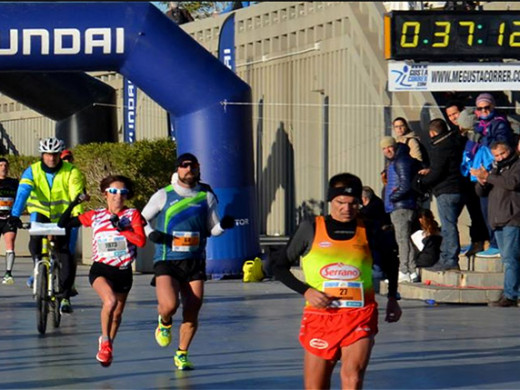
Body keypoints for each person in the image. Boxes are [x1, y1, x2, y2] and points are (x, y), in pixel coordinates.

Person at [274, 173, 401, 390]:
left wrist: (392, 297)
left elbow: (391, 261)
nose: (347, 209)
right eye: (341, 202)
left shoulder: (369, 228)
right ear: (330, 200)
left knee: (353, 377)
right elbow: (277, 266)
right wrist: (306, 291)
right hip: (321, 317)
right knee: (316, 386)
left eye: (353, 204)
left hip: (360, 313)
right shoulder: (311, 227)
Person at [141, 152, 235, 370]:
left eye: (192, 166)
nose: (189, 169)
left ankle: (182, 353)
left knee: (193, 308)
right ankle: (164, 322)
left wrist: (224, 226)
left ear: (198, 168)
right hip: (167, 259)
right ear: (177, 169)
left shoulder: (206, 196)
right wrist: (151, 234)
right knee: (169, 305)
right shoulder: (164, 195)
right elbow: (141, 218)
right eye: (184, 166)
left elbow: (213, 229)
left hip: (194, 260)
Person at [58, 175, 146, 365]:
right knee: (110, 301)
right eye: (113, 192)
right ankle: (105, 340)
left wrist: (123, 230)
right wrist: (75, 202)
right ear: (105, 194)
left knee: (116, 315)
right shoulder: (96, 215)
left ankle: (108, 345)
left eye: (123, 193)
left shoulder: (132, 215)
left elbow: (141, 241)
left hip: (123, 271)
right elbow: (62, 224)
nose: (117, 196)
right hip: (101, 270)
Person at [10, 137, 85, 314]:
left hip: (64, 216)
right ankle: (38, 267)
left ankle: (65, 296)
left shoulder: (71, 171)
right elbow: (22, 193)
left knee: (66, 252)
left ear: (60, 155)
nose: (51, 158)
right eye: (48, 155)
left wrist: (77, 215)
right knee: (35, 241)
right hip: (41, 213)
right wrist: (14, 215)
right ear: (42, 155)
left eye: (55, 155)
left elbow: (76, 194)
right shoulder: (32, 171)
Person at [472, 141, 520, 307]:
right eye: (496, 155)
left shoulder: (517, 165)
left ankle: (511, 295)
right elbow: (480, 192)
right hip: (497, 218)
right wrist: (482, 181)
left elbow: (512, 183)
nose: (500, 158)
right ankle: (510, 291)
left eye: (502, 154)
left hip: (513, 217)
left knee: (510, 258)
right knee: (507, 258)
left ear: (509, 151)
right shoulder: (494, 168)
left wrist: (489, 177)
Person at [416, 119, 465, 271]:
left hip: (446, 190)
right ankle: (446, 257)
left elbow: (438, 172)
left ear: (432, 133)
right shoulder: (456, 142)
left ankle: (449, 259)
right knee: (448, 225)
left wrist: (422, 181)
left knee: (448, 226)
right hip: (460, 188)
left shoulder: (439, 147)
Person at [471, 93, 514, 258]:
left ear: (493, 106)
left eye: (486, 107)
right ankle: (495, 242)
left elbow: (500, 146)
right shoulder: (479, 125)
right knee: (486, 209)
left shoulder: (499, 124)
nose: (483, 111)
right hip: (484, 172)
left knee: (494, 209)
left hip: (494, 171)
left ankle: (497, 244)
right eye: (480, 108)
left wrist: (484, 135)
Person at [444, 101, 488, 256]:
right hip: (463, 180)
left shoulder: (475, 133)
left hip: (478, 178)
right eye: (449, 116)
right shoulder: (455, 135)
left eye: (455, 114)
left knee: (480, 211)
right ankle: (477, 241)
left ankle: (482, 241)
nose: (453, 118)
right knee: (472, 212)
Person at [380, 136, 419, 283]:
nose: (387, 150)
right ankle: (412, 270)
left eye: (389, 147)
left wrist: (392, 197)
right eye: (384, 148)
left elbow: (405, 184)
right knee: (405, 238)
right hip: (400, 205)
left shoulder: (400, 161)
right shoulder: (396, 160)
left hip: (401, 206)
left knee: (402, 239)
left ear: (394, 146)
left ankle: (403, 271)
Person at [0, 158, 19, 285]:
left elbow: (19, 198)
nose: (3, 168)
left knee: (10, 242)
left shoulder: (14, 182)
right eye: (0, 165)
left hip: (9, 218)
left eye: (5, 165)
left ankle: (8, 273)